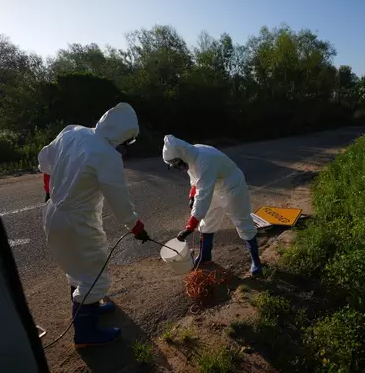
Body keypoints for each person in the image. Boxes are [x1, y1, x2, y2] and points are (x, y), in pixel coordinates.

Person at [38, 102, 151, 349]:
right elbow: (119, 199)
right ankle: (85, 334)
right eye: (126, 143)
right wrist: (136, 227)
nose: (124, 149)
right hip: (77, 222)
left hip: (53, 213)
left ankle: (90, 308)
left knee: (76, 268)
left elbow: (44, 160)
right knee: (95, 275)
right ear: (121, 137)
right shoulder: (107, 155)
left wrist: (50, 191)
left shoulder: (73, 132)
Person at [162, 134, 262, 276]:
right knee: (207, 222)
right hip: (214, 186)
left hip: (232, 187)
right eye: (175, 166)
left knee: (242, 221)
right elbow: (195, 180)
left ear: (182, 155)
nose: (179, 168)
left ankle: (256, 261)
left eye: (177, 164)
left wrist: (190, 227)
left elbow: (203, 195)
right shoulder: (191, 157)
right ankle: (205, 256)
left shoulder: (204, 160)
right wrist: (192, 196)